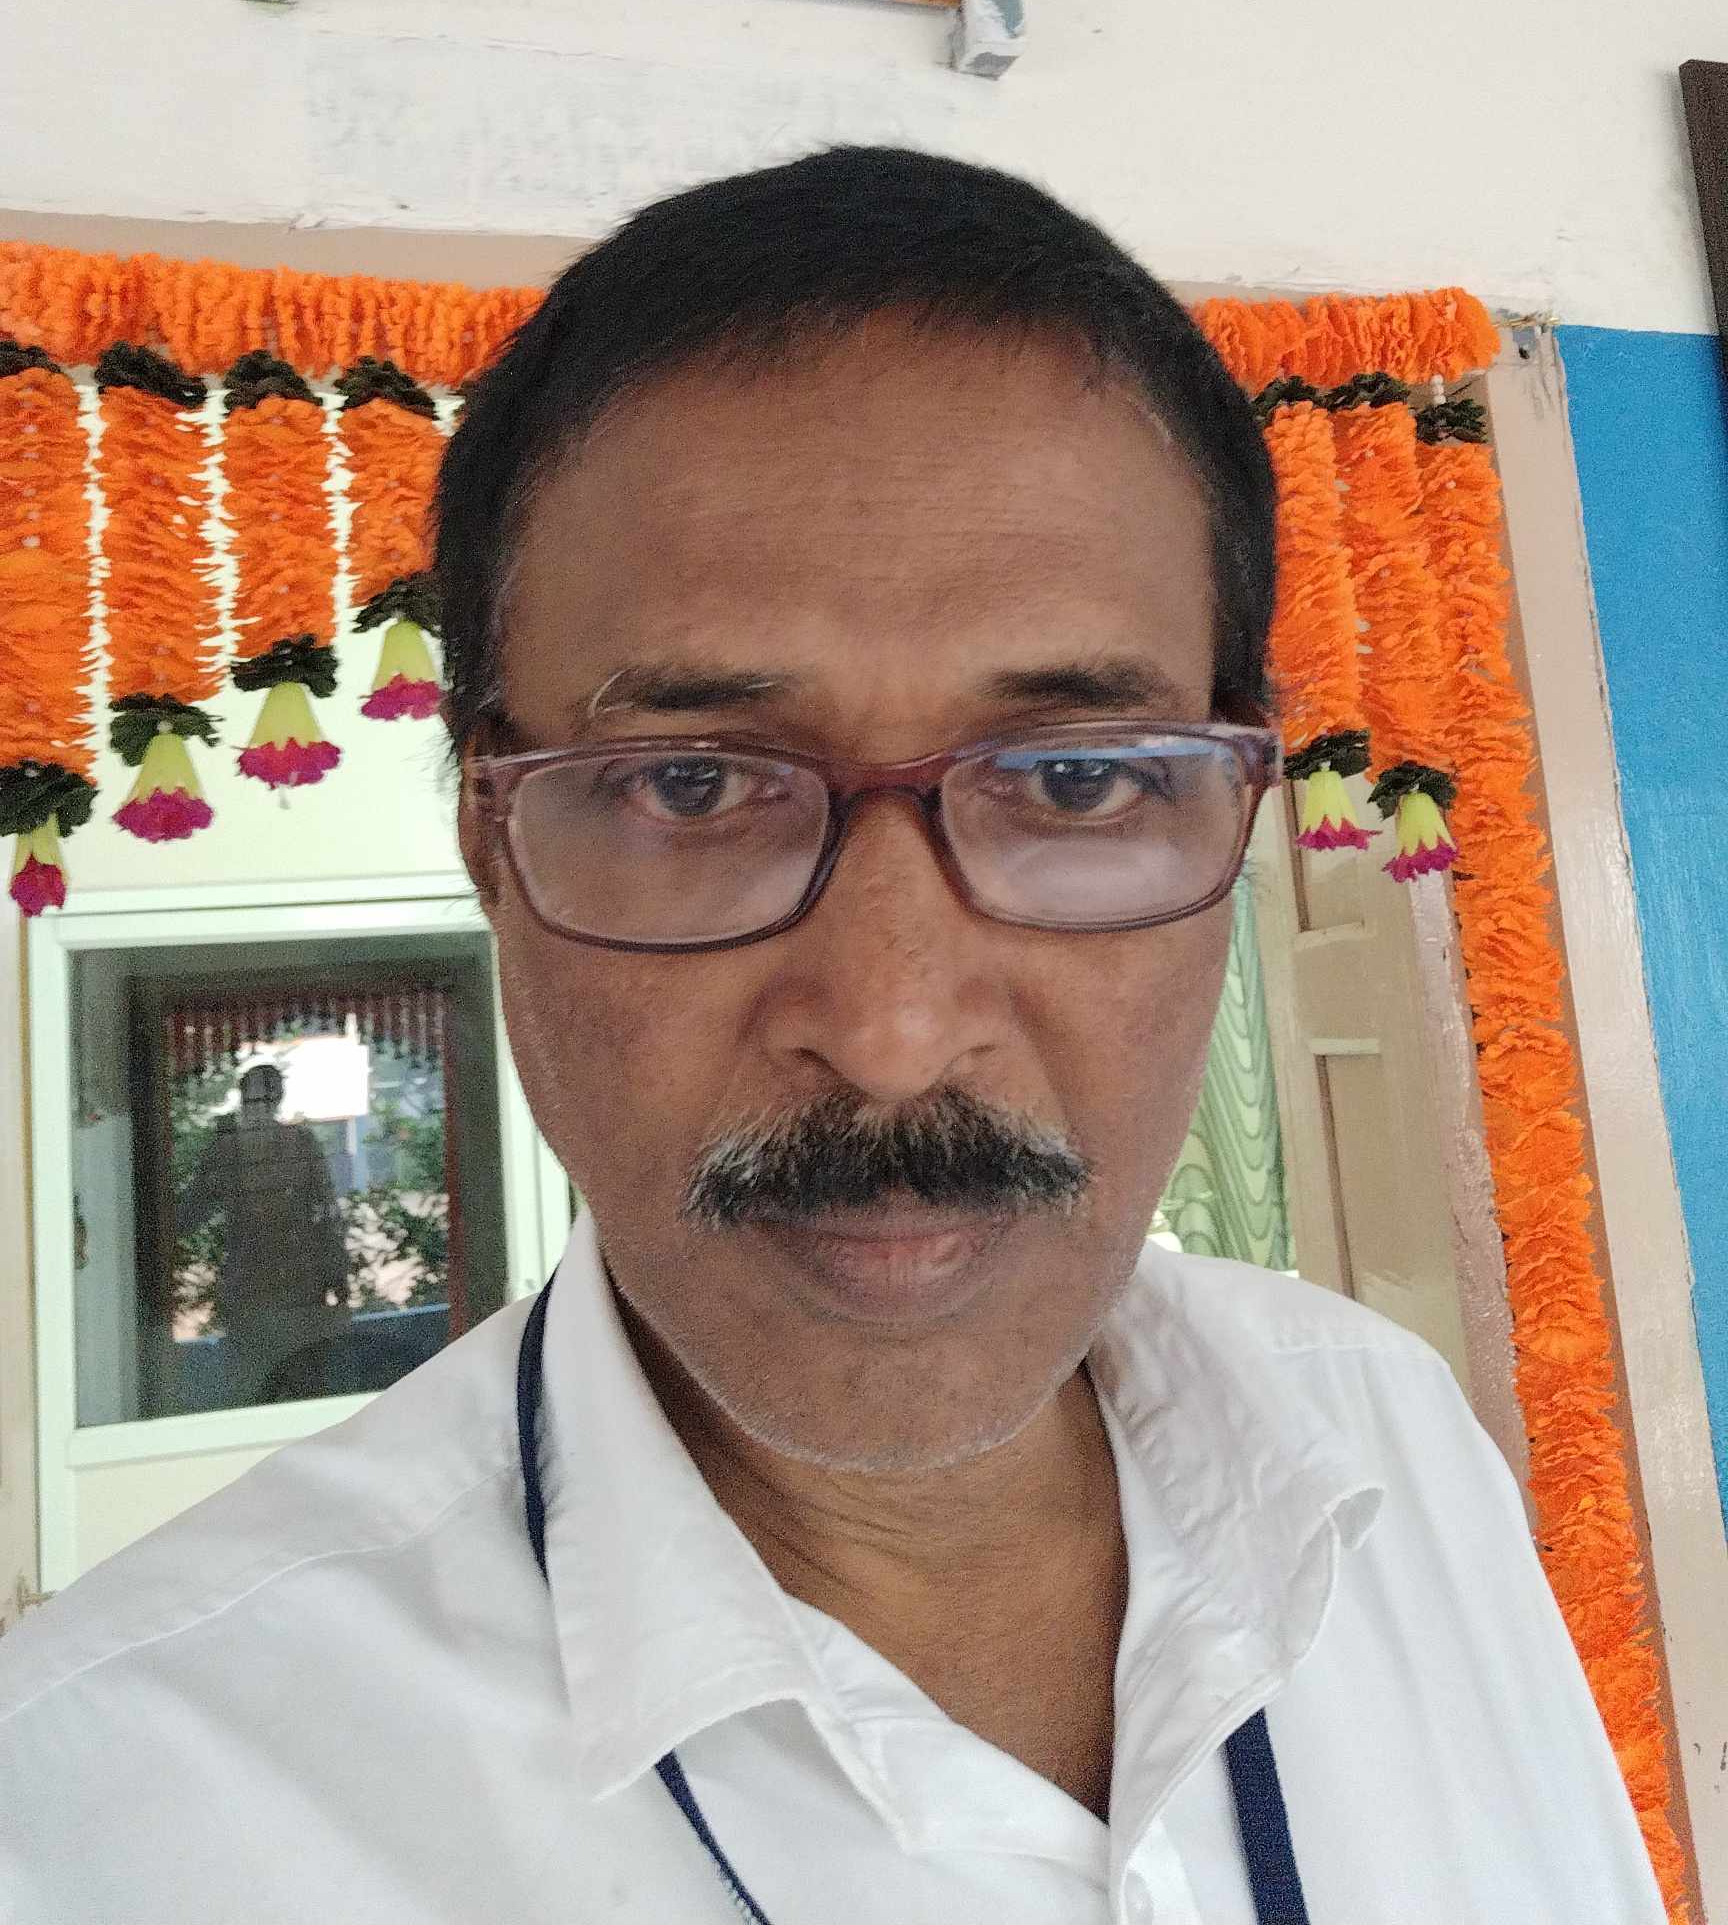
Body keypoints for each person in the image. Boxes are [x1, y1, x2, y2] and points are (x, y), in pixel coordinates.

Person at [0, 150, 1665, 1922]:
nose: (888, 1035)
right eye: (691, 783)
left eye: (1075, 780)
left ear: (1238, 805)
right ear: (490, 841)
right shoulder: (101, 1814)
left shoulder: (1394, 1451)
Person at [177, 1061, 350, 1405]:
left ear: (276, 1102)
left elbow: (327, 1215)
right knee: (253, 1398)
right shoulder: (228, 1150)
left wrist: (338, 1280)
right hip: (250, 1297)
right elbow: (188, 1215)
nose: (257, 1110)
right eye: (251, 1101)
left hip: (300, 1296)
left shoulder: (300, 1145)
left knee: (305, 1397)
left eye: (264, 1101)